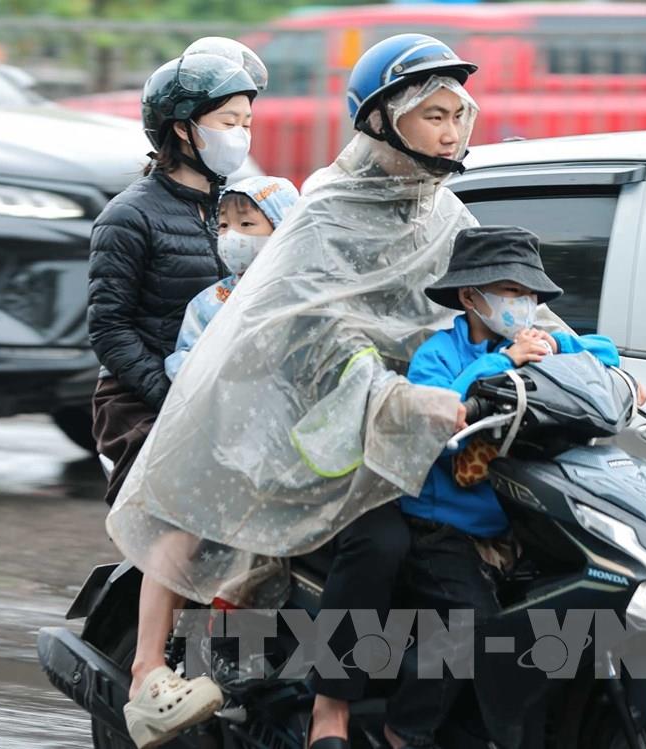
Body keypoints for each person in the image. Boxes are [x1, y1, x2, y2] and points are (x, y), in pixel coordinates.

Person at [104, 34, 540, 749]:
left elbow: (504, 292)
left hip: (410, 433)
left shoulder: (442, 213)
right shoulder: (327, 210)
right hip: (315, 433)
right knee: (380, 541)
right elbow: (315, 332)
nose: (451, 131)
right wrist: (384, 392)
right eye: (432, 115)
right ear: (382, 121)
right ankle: (326, 713)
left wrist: (583, 358)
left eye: (458, 114)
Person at [87, 38, 270, 749]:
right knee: (188, 499)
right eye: (228, 120)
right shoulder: (129, 216)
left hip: (227, 397)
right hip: (143, 401)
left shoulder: (239, 208)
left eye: (247, 120)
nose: (241, 133)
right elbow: (109, 329)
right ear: (182, 130)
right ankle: (146, 673)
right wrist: (174, 394)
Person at [383, 225, 627, 749]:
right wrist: (502, 362)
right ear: (470, 297)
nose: (524, 304)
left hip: (514, 521)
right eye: (511, 292)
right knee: (470, 623)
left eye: (531, 295)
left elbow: (604, 353)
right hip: (441, 526)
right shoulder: (439, 354)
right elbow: (438, 415)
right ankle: (404, 729)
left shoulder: (535, 345)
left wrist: (563, 344)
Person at [164, 175, 299, 380]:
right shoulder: (209, 302)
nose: (231, 236)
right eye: (224, 225)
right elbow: (184, 361)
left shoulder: (302, 294)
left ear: (282, 228)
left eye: (245, 223)